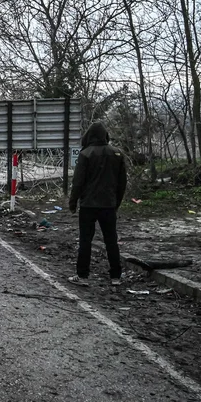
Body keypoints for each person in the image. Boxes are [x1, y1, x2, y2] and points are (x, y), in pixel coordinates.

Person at [68, 123, 127, 287]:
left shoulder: (86, 154)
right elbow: (122, 183)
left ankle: (83, 275)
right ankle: (116, 275)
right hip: (108, 204)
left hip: (88, 205)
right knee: (111, 240)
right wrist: (116, 203)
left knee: (85, 240)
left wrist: (73, 202)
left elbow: (78, 182)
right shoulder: (117, 154)